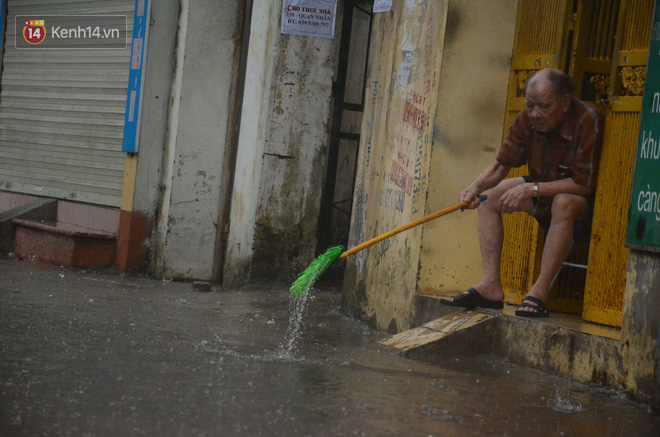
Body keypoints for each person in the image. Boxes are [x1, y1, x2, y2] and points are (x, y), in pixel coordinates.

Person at [441, 68, 604, 318]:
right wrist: (475, 188)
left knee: (563, 203)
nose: (535, 114)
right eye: (530, 106)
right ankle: (490, 285)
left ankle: (539, 293)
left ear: (565, 102)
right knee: (489, 197)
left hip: (582, 200)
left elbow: (584, 184)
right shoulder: (528, 117)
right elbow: (500, 165)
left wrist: (534, 188)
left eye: (544, 107)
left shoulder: (586, 118)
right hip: (542, 186)